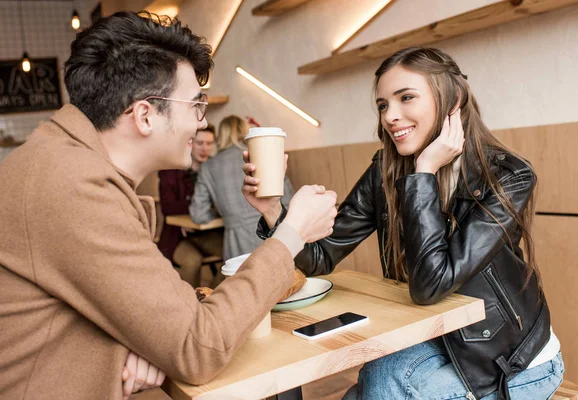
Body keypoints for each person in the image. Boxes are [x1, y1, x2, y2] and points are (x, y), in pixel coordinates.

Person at [0, 11, 337, 400]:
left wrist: (149, 341)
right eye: (195, 105)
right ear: (145, 115)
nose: (200, 122)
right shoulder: (73, 186)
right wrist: (292, 232)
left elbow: (163, 327)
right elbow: (199, 348)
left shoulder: (60, 162)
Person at [243, 47, 562, 400]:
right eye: (382, 105)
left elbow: (431, 283)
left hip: (509, 363)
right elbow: (318, 257)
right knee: (374, 380)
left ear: (453, 99)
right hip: (434, 339)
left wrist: (424, 172)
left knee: (376, 387)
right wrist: (273, 211)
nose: (390, 116)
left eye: (406, 98)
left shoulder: (508, 176)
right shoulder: (385, 172)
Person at [190, 115, 294, 260]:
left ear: (221, 136)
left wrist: (222, 213)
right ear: (245, 132)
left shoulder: (208, 167)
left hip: (236, 244)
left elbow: (198, 214)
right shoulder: (261, 156)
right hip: (272, 236)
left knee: (240, 281)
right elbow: (288, 201)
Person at [157, 123, 224, 287]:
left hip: (209, 232)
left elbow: (222, 202)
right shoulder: (171, 170)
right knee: (191, 261)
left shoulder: (215, 168)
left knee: (233, 255)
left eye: (209, 144)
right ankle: (189, 304)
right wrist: (199, 210)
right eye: (200, 143)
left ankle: (213, 301)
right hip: (179, 234)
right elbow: (168, 207)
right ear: (190, 143)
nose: (205, 149)